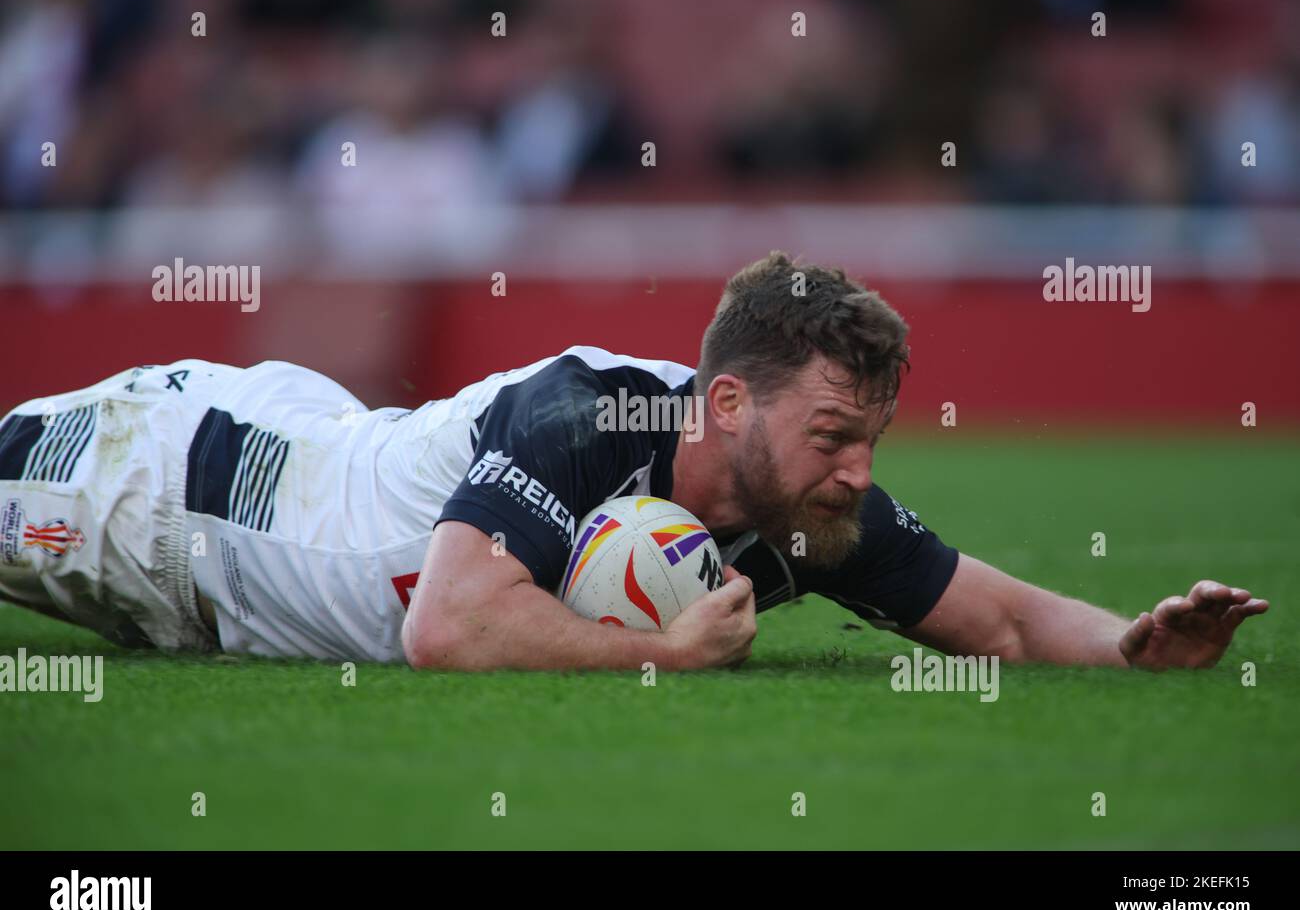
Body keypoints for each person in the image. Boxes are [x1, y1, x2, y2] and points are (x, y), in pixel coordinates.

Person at [0, 252, 1268, 670]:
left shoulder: (809, 507)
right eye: (834, 434)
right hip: (173, 492)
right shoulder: (586, 410)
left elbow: (991, 611)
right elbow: (448, 626)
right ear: (725, 402)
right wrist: (666, 657)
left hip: (315, 448)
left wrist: (1129, 645)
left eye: (870, 438)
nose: (855, 470)